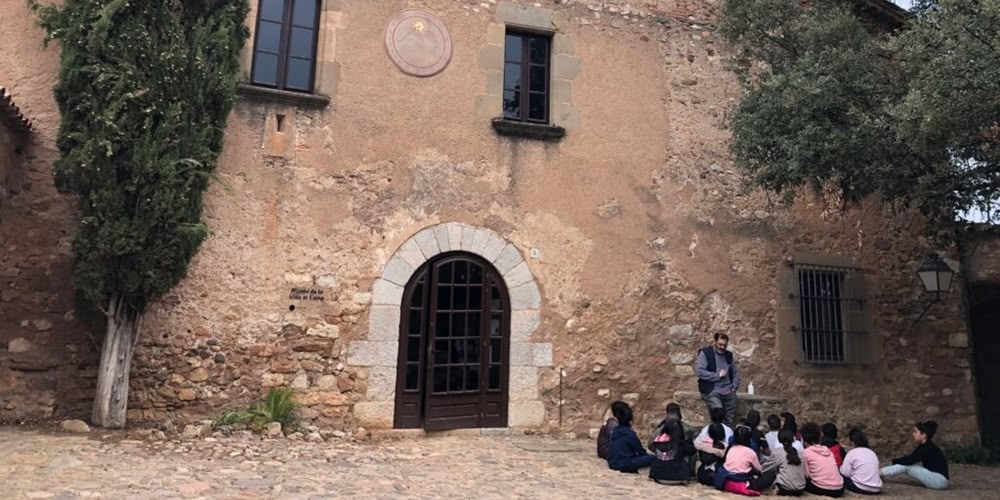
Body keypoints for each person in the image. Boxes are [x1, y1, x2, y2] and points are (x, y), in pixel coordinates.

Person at [881, 420, 949, 490]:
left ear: (924, 435)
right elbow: (912, 457)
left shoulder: (927, 448)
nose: (913, 434)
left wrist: (894, 461)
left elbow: (910, 460)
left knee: (907, 466)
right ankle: (880, 472)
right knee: (909, 464)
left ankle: (879, 473)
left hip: (939, 481)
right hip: (939, 480)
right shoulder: (925, 445)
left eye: (916, 432)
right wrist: (896, 461)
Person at [695, 333, 739, 426]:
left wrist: (734, 386)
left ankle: (728, 434)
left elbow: (735, 372)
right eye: (720, 344)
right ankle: (717, 433)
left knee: (730, 416)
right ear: (715, 342)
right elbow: (700, 371)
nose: (722, 347)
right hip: (712, 389)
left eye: (724, 345)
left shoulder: (728, 355)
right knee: (718, 413)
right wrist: (717, 375)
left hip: (728, 389)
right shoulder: (705, 353)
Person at [719, 425, 776, 494]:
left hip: (726, 478)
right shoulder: (750, 452)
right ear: (749, 438)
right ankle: (746, 486)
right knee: (770, 475)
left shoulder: (731, 449)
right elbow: (759, 470)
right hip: (741, 480)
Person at [606, 401, 654, 473]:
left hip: (612, 463)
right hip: (624, 464)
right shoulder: (630, 434)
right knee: (653, 457)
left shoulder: (614, 431)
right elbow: (640, 451)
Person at [800, 422, 845, 497]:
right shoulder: (827, 450)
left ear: (804, 440)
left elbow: (807, 475)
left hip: (822, 488)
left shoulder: (806, 453)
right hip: (839, 488)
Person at [649, 418, 697, 484]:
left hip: (658, 477)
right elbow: (693, 451)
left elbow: (651, 447)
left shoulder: (657, 441)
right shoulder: (680, 443)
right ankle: (691, 475)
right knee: (687, 456)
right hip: (677, 478)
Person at [762, 429, 807, 496]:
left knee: (769, 475)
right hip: (800, 489)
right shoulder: (800, 453)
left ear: (779, 439)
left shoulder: (778, 452)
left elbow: (765, 468)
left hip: (785, 489)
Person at [840, 429, 882, 495]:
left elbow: (846, 473)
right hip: (876, 488)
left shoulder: (852, 453)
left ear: (853, 442)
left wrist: (841, 468)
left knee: (841, 477)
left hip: (861, 486)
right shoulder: (871, 453)